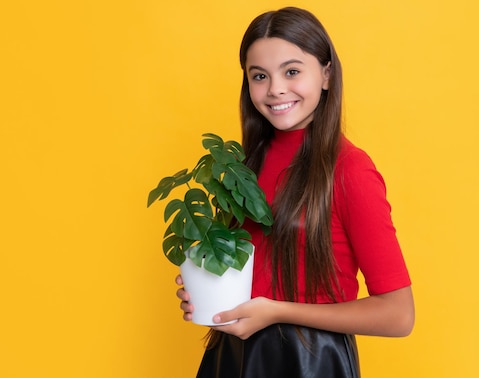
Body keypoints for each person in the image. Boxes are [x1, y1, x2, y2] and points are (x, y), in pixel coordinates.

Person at [176, 7, 414, 377]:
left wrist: (277, 311)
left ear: (326, 74)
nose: (275, 89)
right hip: (234, 357)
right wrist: (207, 287)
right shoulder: (243, 165)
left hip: (310, 362)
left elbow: (399, 315)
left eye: (291, 71)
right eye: (259, 76)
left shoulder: (350, 170)